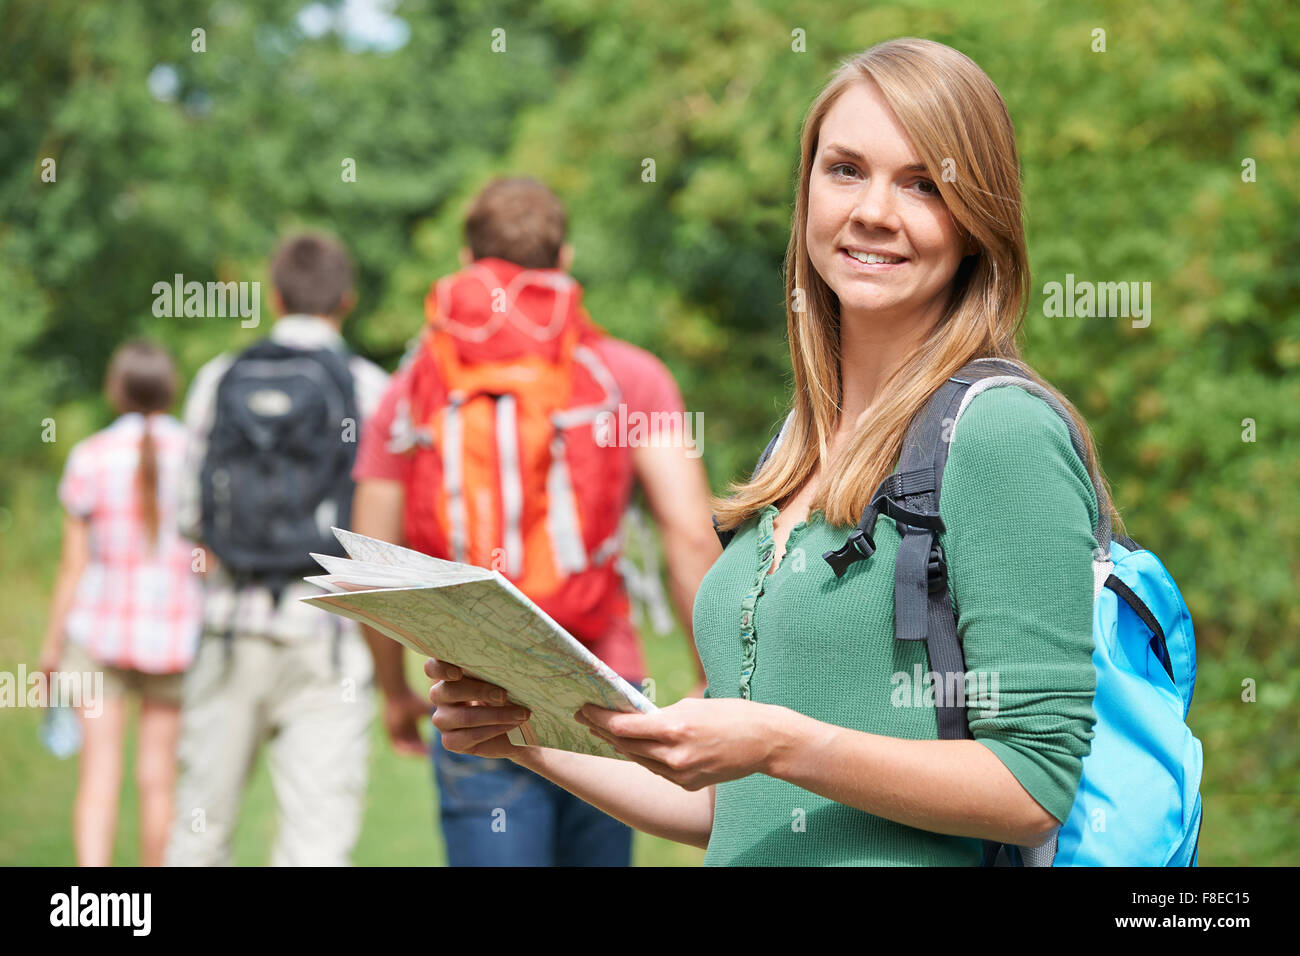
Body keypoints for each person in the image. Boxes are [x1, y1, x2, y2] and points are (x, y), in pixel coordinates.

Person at [425, 38, 1128, 865]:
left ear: (977, 222)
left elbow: (1035, 787)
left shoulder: (1001, 433)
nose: (873, 210)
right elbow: (736, 805)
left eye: (923, 184)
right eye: (845, 170)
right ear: (806, 193)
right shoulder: (794, 444)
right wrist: (523, 740)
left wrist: (780, 743)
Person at [351, 176, 719, 866]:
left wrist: (394, 689)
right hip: (605, 683)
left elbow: (374, 550)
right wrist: (710, 675)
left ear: (467, 257)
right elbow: (691, 532)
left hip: (475, 689)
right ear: (566, 258)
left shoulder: (415, 386)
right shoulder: (626, 374)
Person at [165, 233, 390, 866]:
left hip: (228, 631)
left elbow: (190, 515)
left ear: (274, 294)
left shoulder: (219, 378)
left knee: (200, 831)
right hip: (330, 638)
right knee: (316, 843)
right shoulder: (369, 386)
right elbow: (382, 533)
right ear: (346, 301)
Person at [39, 339, 203, 866]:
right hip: (177, 637)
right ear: (170, 389)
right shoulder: (196, 456)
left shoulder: (89, 456)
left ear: (116, 390)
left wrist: (49, 647)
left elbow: (73, 567)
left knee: (99, 778)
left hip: (98, 637)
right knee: (157, 782)